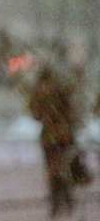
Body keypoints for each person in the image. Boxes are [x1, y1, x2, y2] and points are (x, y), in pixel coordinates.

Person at [30, 54, 87, 217]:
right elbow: (73, 113)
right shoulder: (63, 90)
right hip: (62, 137)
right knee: (63, 170)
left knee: (55, 172)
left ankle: (59, 204)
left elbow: (36, 114)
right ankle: (66, 202)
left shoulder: (43, 92)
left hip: (51, 138)